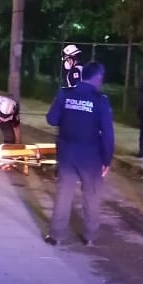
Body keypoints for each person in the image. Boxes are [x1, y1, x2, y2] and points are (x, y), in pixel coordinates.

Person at [45, 62, 115, 247]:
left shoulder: (65, 93)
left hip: (67, 153)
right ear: (98, 77)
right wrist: (107, 160)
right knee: (91, 195)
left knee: (63, 193)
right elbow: (108, 133)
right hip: (91, 156)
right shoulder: (101, 100)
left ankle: (57, 236)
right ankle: (90, 237)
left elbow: (51, 119)